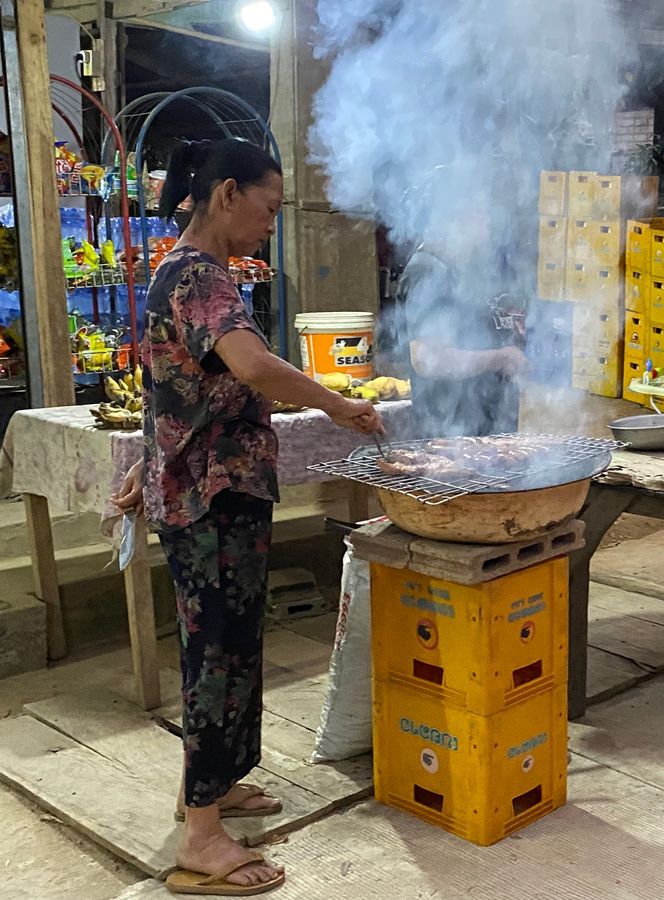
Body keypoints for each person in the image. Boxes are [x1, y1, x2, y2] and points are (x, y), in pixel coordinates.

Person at [112, 138, 383, 895]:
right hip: (211, 502)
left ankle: (216, 786)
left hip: (207, 489)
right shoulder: (199, 274)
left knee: (230, 648)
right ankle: (201, 837)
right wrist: (338, 402)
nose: (272, 222)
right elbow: (253, 366)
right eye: (268, 206)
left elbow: (172, 386)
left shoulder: (187, 270)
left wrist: (147, 460)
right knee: (218, 657)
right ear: (227, 193)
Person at [401, 221, 528, 438]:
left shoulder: (464, 269)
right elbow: (427, 359)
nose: (488, 228)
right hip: (451, 434)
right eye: (479, 215)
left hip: (490, 432)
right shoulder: (428, 270)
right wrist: (501, 358)